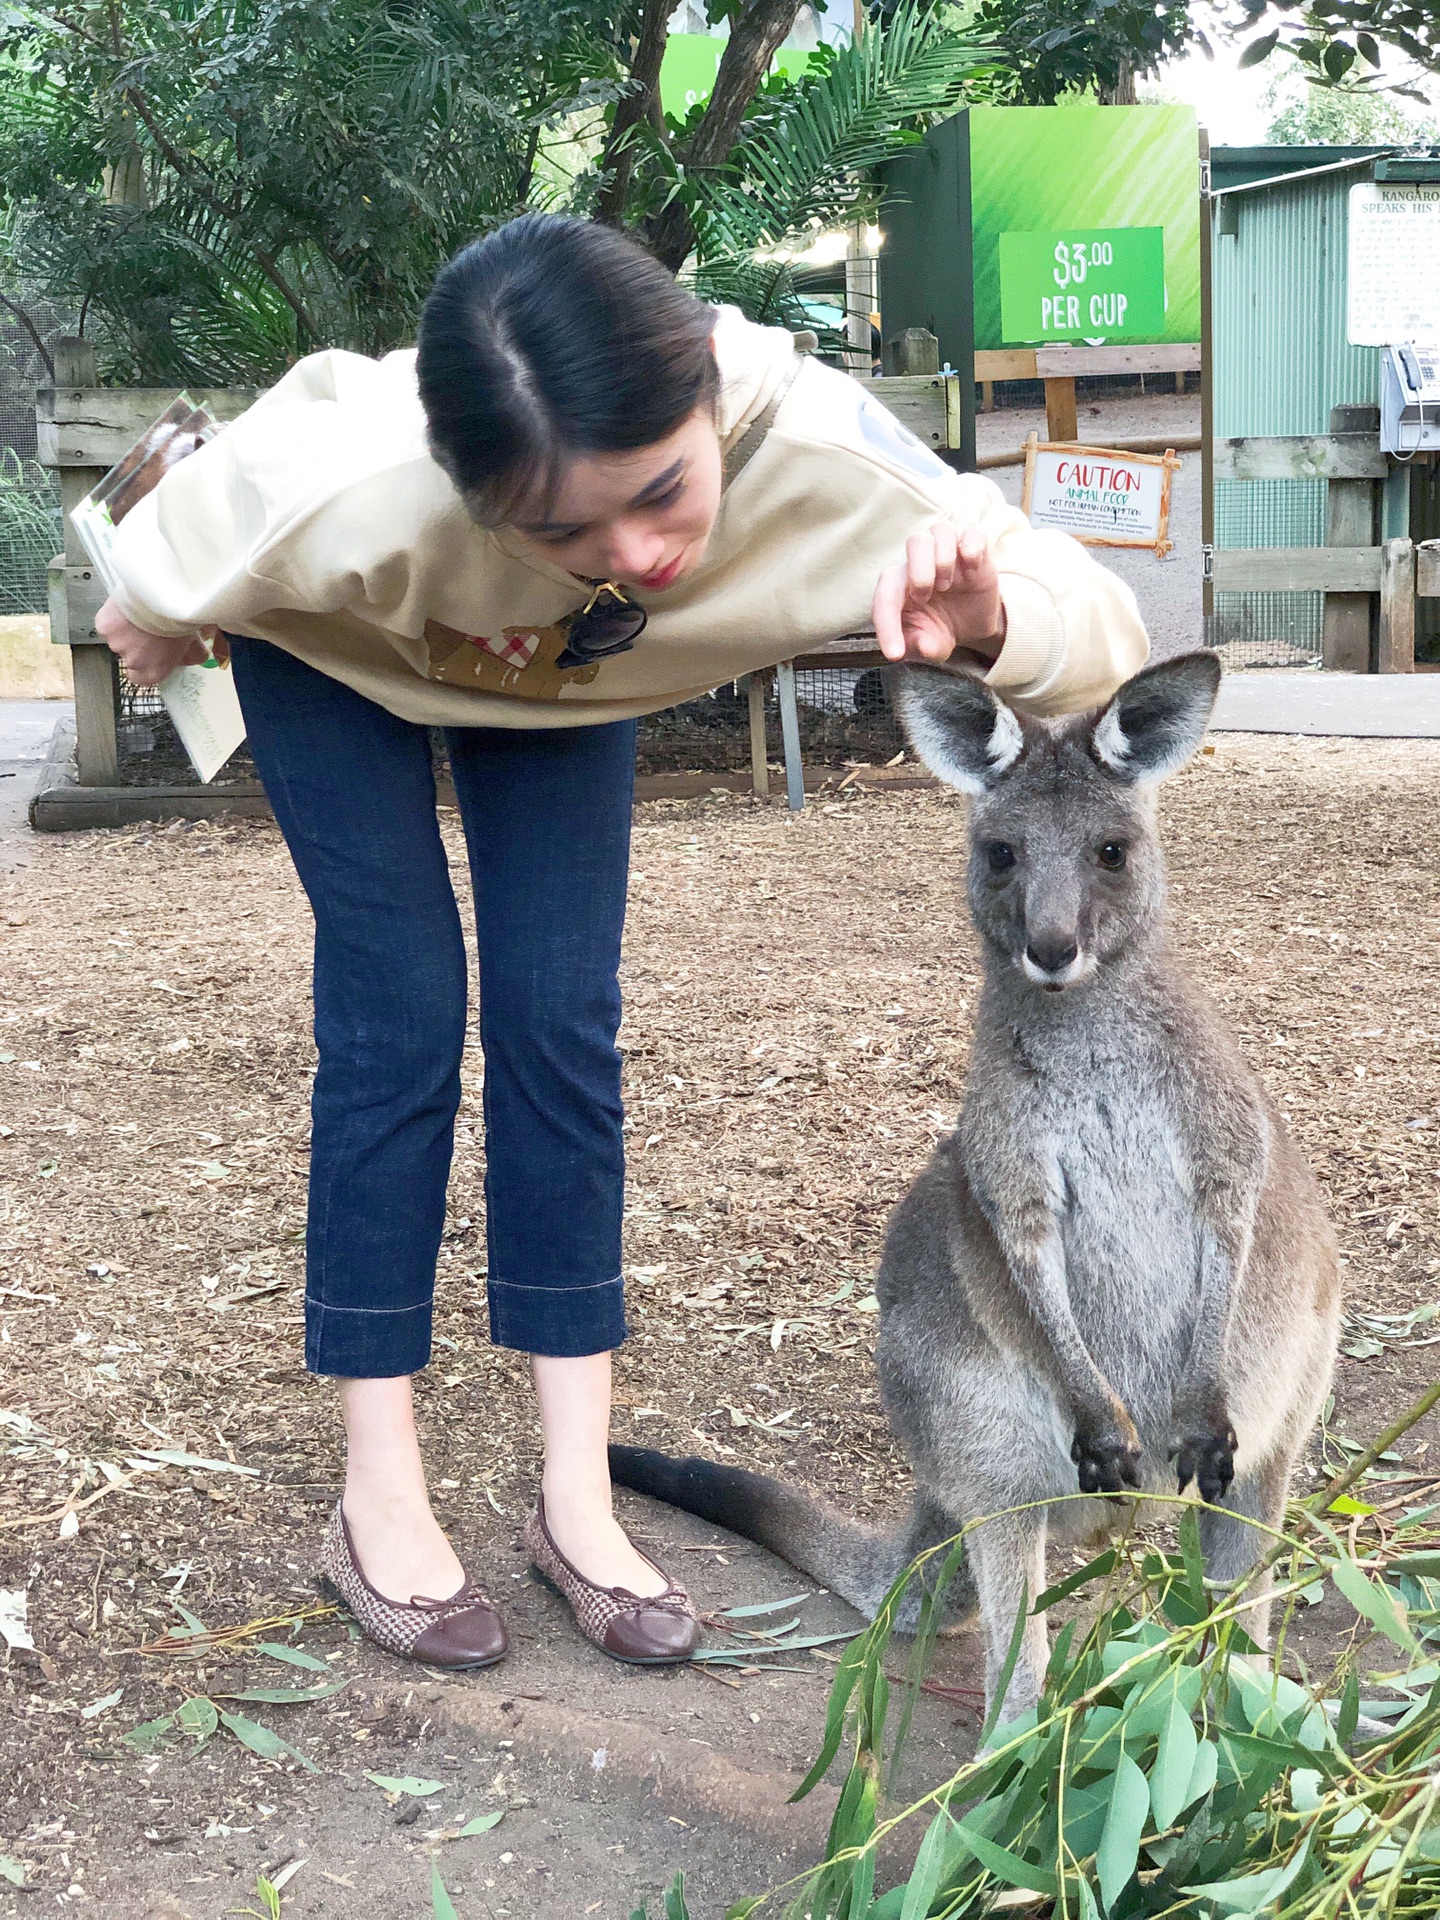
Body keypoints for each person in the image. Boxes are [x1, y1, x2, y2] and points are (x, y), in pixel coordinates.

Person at [97, 212, 1148, 1671]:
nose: (641, 552)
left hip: (570, 683)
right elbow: (173, 542)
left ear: (706, 401)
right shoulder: (346, 485)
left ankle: (575, 1494)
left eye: (662, 494)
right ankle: (376, 1492)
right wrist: (148, 612)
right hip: (333, 659)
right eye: (569, 528)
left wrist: (990, 623)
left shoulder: (823, 454)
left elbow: (1102, 629)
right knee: (398, 1011)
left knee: (556, 1018)